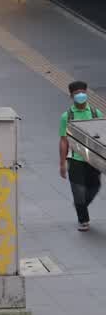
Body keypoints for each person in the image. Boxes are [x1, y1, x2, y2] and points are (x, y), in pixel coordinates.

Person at [59, 80, 102, 231]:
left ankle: (80, 205)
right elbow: (63, 140)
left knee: (95, 187)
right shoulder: (67, 116)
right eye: (77, 94)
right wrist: (62, 163)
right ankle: (83, 220)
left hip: (93, 161)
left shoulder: (97, 113)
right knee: (78, 191)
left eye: (83, 92)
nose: (81, 96)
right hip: (75, 160)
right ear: (71, 96)